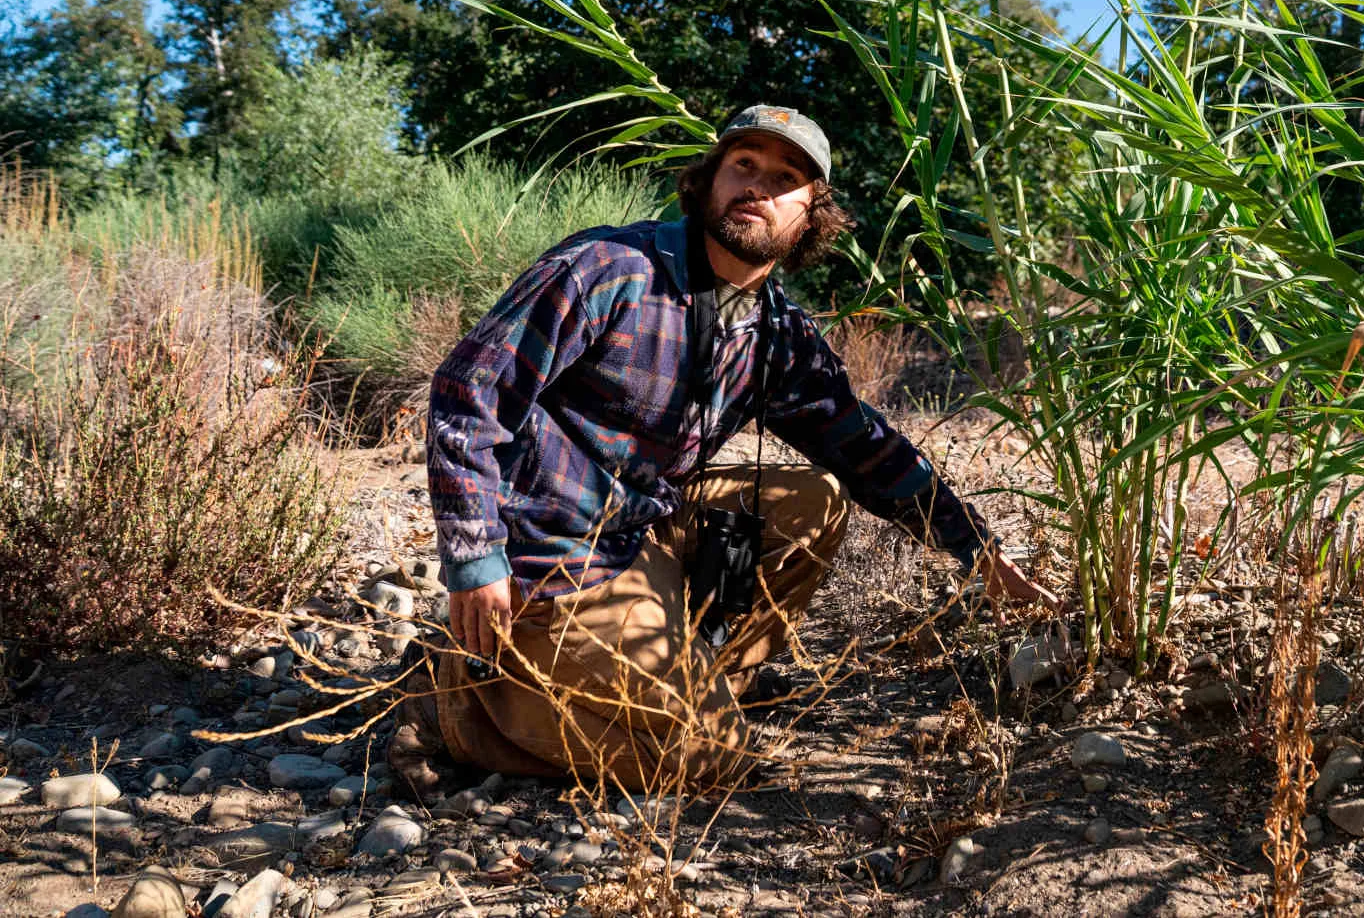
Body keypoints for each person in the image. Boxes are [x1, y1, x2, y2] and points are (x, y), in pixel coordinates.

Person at [391, 105, 1052, 795]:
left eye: (785, 176)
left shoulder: (775, 331)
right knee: (712, 758)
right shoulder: (611, 269)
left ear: (812, 215)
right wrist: (474, 555)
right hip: (553, 549)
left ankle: (702, 682)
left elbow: (864, 447)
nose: (757, 185)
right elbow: (469, 390)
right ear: (709, 179)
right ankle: (456, 707)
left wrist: (974, 544)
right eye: (743, 164)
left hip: (640, 530)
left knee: (815, 500)